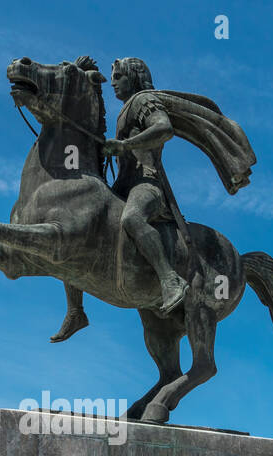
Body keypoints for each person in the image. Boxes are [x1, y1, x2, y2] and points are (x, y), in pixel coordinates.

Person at [49, 55, 255, 342]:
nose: (114, 83)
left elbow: (164, 129)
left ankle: (170, 280)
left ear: (134, 77)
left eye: (119, 77)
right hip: (123, 186)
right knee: (78, 230)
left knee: (132, 218)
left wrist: (125, 145)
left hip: (148, 184)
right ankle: (76, 311)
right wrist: (84, 74)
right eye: (113, 78)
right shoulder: (123, 110)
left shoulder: (143, 100)